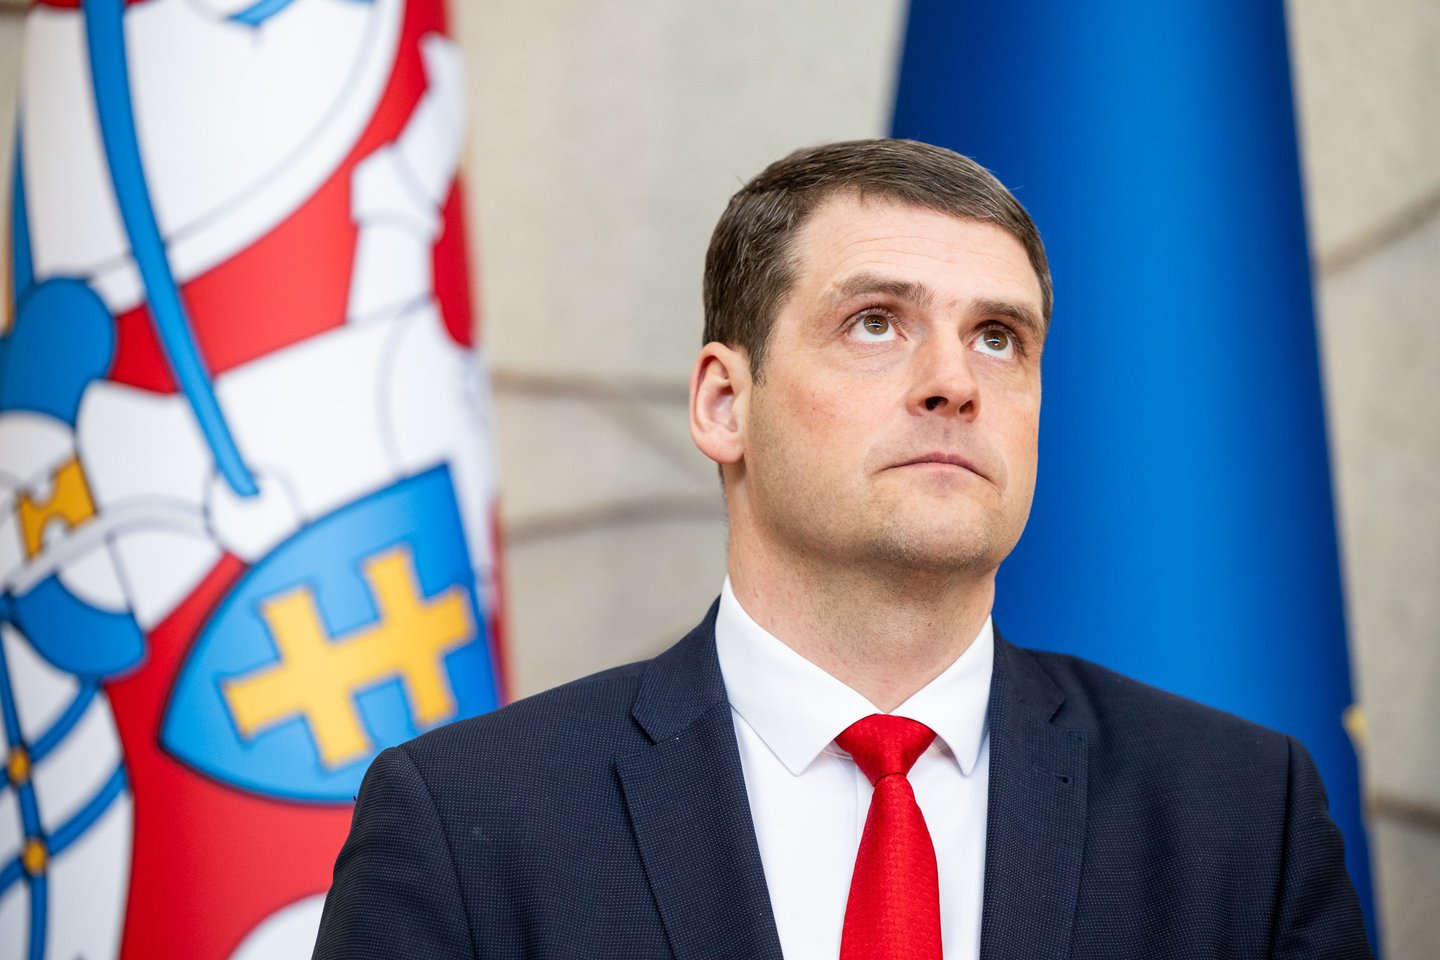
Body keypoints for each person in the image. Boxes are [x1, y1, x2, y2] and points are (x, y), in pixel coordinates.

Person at [311, 139, 1371, 960]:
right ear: (724, 403)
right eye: (876, 322)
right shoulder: (473, 823)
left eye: (999, 338)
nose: (954, 382)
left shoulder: (1240, 813)